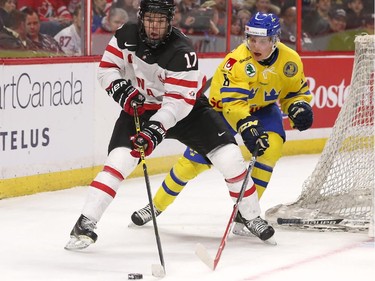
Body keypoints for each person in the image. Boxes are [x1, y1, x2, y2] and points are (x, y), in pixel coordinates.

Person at [64, 0, 275, 251]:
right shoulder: (125, 34)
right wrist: (121, 90)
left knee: (230, 158)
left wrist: (155, 129)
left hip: (187, 110)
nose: (154, 26)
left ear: (170, 21)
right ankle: (85, 222)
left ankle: (251, 217)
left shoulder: (182, 52)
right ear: (141, 17)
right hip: (141, 109)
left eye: (161, 21)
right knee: (118, 162)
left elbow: (176, 105)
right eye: (150, 19)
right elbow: (107, 70)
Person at [131, 12, 314, 237]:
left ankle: (246, 216)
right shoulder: (237, 61)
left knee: (271, 148)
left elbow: (295, 91)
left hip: (264, 109)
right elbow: (233, 105)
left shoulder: (290, 60)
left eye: (263, 41)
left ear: (275, 40)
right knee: (192, 163)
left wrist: (298, 106)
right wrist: (247, 125)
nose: (255, 45)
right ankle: (156, 206)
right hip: (222, 111)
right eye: (252, 39)